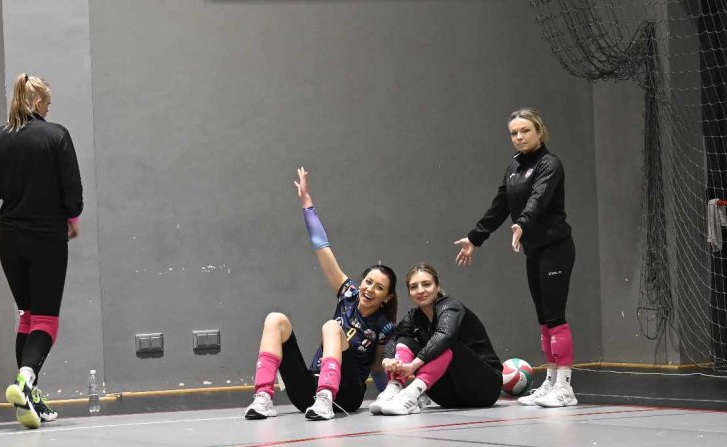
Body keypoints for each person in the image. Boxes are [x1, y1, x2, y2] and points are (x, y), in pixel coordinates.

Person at [245, 168, 398, 421]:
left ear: (388, 297)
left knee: (331, 326)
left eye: (379, 288)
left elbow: (378, 369)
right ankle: (263, 397)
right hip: (309, 391)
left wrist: (390, 397)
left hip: (346, 395)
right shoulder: (348, 294)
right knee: (275, 319)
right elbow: (321, 246)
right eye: (368, 282)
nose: (370, 289)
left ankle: (326, 398)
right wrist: (307, 204)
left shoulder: (384, 326)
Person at [0, 74, 83, 429]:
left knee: (27, 314)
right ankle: (25, 380)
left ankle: (30, 399)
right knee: (46, 320)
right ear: (38, 103)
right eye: (48, 105)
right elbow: (73, 192)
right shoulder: (56, 136)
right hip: (46, 238)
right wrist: (72, 219)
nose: (49, 111)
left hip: (10, 240)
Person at [453, 107, 578, 408]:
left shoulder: (550, 164)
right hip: (534, 250)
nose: (519, 137)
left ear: (539, 131)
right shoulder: (514, 167)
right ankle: (550, 382)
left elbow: (538, 199)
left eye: (525, 131)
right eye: (513, 133)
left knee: (555, 317)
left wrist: (521, 223)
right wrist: (475, 238)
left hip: (556, 248)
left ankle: (565, 387)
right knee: (543, 320)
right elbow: (500, 205)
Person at [372, 264, 502, 415]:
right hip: (448, 396)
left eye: (426, 284)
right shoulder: (413, 316)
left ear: (437, 286)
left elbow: (445, 335)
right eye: (414, 287)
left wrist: (414, 365)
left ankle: (410, 395)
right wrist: (387, 359)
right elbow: (394, 339)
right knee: (404, 340)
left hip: (484, 388)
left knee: (447, 344)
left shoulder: (450, 306)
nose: (420, 290)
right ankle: (393, 390)